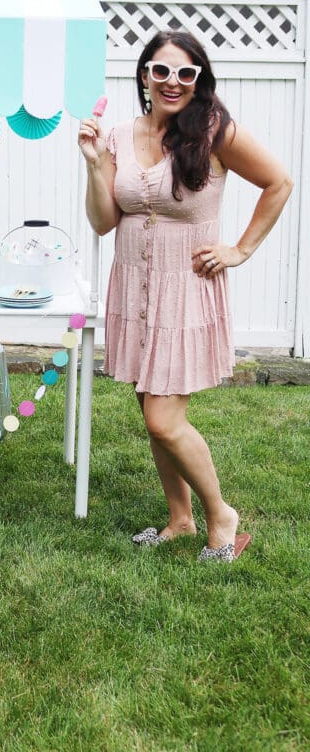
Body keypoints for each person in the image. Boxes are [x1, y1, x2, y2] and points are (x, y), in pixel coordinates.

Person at [78, 29, 293, 562]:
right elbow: (105, 222)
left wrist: (240, 250)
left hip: (184, 293)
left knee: (163, 419)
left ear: (199, 81)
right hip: (135, 287)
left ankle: (222, 515)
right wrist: (93, 163)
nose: (173, 82)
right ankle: (179, 518)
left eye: (186, 73)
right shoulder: (118, 136)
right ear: (145, 76)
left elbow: (280, 182)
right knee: (147, 404)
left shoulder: (215, 131)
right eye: (161, 71)